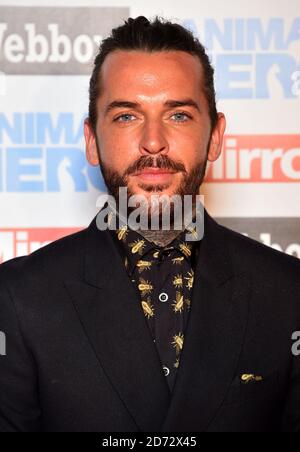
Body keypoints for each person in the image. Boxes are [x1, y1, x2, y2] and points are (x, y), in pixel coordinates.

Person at [0, 16, 300, 433]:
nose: (153, 142)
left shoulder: (288, 293)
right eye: (126, 116)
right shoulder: (18, 299)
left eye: (178, 115)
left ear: (215, 137)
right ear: (91, 140)